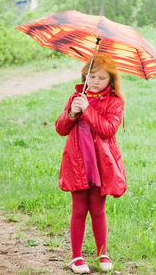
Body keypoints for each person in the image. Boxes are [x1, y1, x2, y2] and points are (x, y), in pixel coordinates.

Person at [55, 53, 126, 273]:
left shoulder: (115, 102)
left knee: (97, 209)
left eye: (102, 78)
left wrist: (87, 110)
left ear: (110, 81)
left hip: (100, 165)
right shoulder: (76, 98)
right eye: (92, 76)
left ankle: (102, 253)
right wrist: (72, 113)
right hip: (77, 164)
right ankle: (76, 257)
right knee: (78, 209)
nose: (95, 82)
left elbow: (108, 129)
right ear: (85, 75)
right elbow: (60, 129)